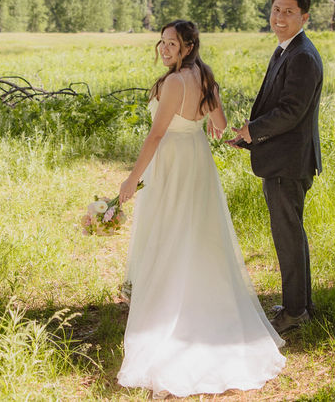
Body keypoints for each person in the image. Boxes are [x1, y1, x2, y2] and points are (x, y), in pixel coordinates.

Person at [116, 20, 285, 399]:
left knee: (169, 233)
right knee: (198, 233)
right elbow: (220, 128)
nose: (164, 48)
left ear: (188, 46)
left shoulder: (174, 83)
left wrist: (131, 180)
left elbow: (156, 134)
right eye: (161, 42)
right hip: (198, 161)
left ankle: (170, 315)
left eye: (172, 43)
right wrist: (207, 121)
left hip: (173, 162)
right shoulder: (207, 81)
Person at [230, 0, 323, 336]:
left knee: (288, 237)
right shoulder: (288, 49)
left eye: (288, 12)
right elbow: (279, 107)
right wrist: (251, 136)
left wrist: (253, 131)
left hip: (289, 163)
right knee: (292, 235)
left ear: (304, 17)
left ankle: (296, 313)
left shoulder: (302, 55)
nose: (279, 17)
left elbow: (291, 112)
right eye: (276, 10)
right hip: (283, 157)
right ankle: (300, 306)